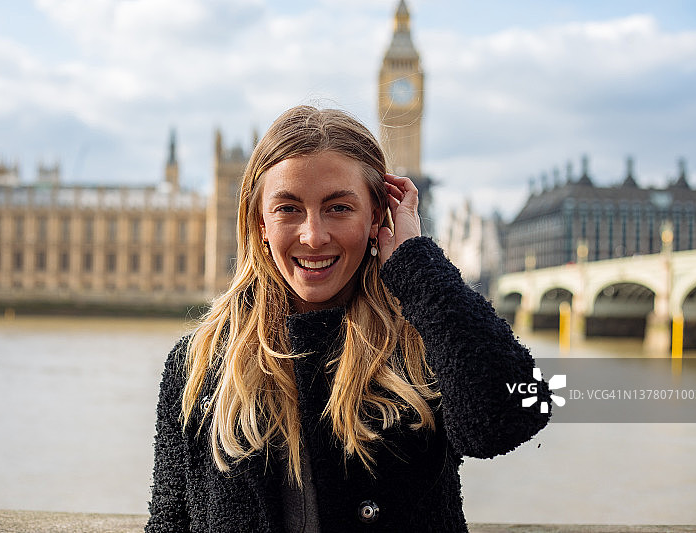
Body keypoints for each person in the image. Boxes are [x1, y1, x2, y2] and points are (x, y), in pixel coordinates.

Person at [146, 105, 550, 533]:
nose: (314, 235)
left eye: (338, 208)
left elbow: (514, 412)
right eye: (288, 208)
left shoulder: (420, 344)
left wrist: (416, 265)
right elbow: (170, 521)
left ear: (376, 215)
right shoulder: (199, 364)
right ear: (258, 221)